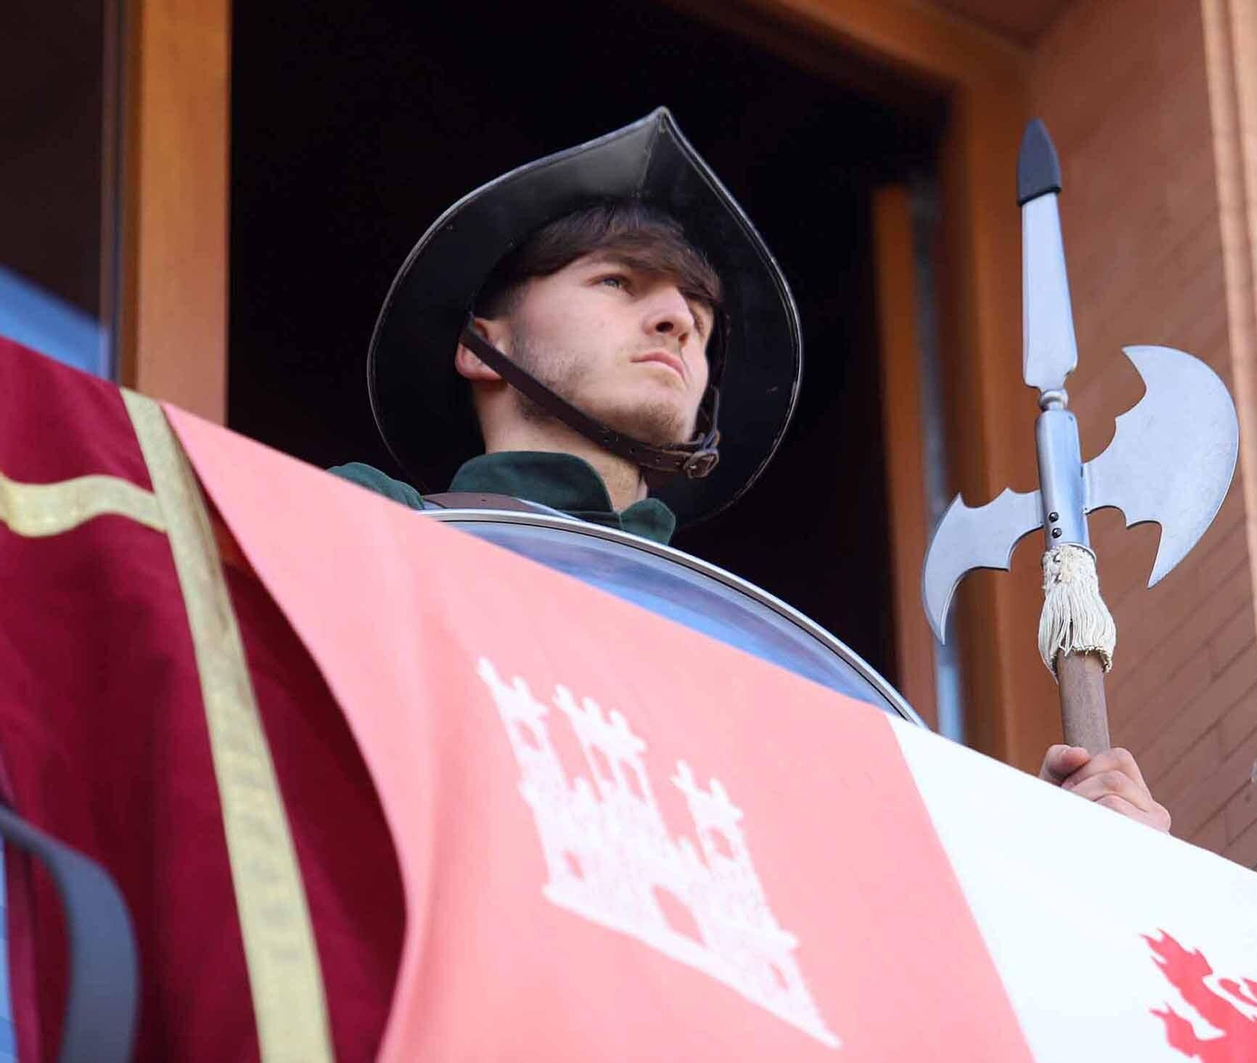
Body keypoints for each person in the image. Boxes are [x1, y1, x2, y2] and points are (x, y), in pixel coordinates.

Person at [333, 108, 1171, 834]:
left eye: (698, 315)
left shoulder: (763, 670)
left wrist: (1071, 855)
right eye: (617, 281)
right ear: (487, 345)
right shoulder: (363, 525)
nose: (675, 321)